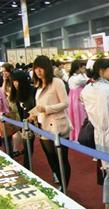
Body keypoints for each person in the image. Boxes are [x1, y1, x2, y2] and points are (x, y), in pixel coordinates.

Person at [81, 59, 109, 209]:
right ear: (101, 70)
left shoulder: (86, 90)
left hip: (99, 136)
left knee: (108, 171)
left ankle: (108, 207)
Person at [29, 55, 72, 189]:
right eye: (36, 68)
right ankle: (60, 181)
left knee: (62, 159)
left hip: (58, 126)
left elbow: (65, 103)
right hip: (43, 126)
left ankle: (64, 187)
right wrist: (34, 114)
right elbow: (40, 105)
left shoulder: (57, 82)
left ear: (47, 68)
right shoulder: (39, 85)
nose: (38, 71)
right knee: (51, 159)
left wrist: (47, 109)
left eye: (41, 68)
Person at [10, 70, 36, 169]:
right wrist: (22, 126)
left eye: (17, 81)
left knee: (49, 152)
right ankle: (27, 167)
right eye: (13, 81)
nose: (15, 83)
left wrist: (31, 117)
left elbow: (37, 106)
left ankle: (56, 172)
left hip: (37, 123)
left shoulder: (32, 91)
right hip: (26, 124)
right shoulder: (17, 93)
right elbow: (21, 112)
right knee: (28, 146)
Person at [68, 60, 88, 141]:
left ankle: (75, 135)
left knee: (75, 117)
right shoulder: (78, 77)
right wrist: (83, 73)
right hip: (78, 99)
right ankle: (79, 136)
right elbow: (87, 80)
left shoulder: (72, 77)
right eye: (81, 67)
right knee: (80, 117)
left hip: (72, 99)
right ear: (78, 67)